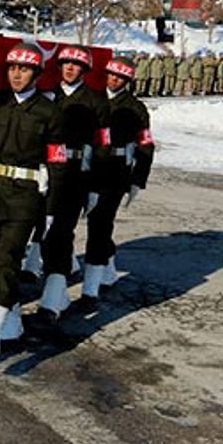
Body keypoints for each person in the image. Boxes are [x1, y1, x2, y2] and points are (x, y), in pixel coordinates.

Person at [0, 42, 66, 355]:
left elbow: (57, 163)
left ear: (37, 73)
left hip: (25, 195)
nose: (16, 74)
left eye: (23, 69)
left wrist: (52, 207)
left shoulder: (50, 112)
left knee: (10, 257)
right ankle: (12, 327)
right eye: (12, 68)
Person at [26, 45, 110, 333]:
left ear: (85, 70)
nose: (70, 69)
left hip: (76, 175)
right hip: (45, 174)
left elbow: (103, 147)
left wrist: (96, 184)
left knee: (61, 233)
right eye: (65, 64)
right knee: (44, 233)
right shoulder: (48, 97)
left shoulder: (97, 102)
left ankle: (50, 303)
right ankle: (58, 290)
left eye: (76, 66)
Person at [79, 57, 154, 310]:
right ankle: (107, 268)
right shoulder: (92, 99)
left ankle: (90, 288)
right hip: (89, 167)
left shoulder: (136, 108)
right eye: (111, 74)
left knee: (100, 222)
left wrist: (138, 179)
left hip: (115, 171)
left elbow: (145, 144)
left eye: (120, 77)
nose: (114, 80)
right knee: (94, 222)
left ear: (128, 80)